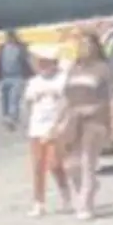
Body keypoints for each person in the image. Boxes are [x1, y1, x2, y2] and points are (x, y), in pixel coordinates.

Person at [59, 30, 113, 221]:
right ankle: (89, 187)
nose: (85, 47)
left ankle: (85, 204)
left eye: (89, 43)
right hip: (73, 120)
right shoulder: (74, 69)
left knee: (87, 162)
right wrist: (58, 121)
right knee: (70, 166)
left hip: (95, 120)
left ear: (96, 47)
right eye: (82, 44)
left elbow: (112, 98)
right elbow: (66, 98)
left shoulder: (104, 69)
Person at [22, 54, 73, 216]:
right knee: (38, 166)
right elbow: (28, 103)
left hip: (56, 127)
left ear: (54, 63)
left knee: (54, 164)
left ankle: (66, 196)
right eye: (40, 63)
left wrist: (60, 124)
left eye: (46, 62)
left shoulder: (63, 79)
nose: (43, 66)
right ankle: (39, 203)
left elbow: (68, 102)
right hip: (37, 127)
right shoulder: (34, 82)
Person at [0, 30, 34, 132]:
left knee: (14, 98)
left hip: (17, 77)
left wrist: (29, 75)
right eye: (8, 36)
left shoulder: (20, 47)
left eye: (11, 36)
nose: (10, 38)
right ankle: (6, 117)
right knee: (5, 99)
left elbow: (27, 59)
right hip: (4, 77)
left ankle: (12, 119)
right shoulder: (2, 47)